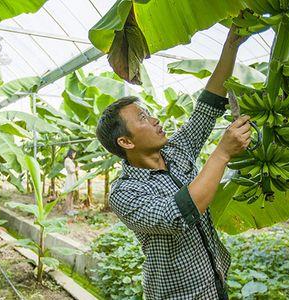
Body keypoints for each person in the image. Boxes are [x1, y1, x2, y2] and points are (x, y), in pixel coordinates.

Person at [95, 26, 251, 300]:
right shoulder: (124, 193)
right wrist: (222, 153)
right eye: (143, 118)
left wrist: (231, 44)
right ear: (126, 142)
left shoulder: (177, 150)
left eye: (149, 114)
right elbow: (178, 214)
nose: (154, 119)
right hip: (176, 294)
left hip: (214, 281)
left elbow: (208, 104)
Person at [63, 149, 78, 216]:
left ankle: (71, 209)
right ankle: (67, 210)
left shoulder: (69, 160)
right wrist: (76, 169)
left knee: (71, 195)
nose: (74, 155)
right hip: (70, 178)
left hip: (72, 178)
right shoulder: (67, 160)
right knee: (69, 195)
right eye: (74, 154)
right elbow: (71, 170)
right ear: (71, 153)